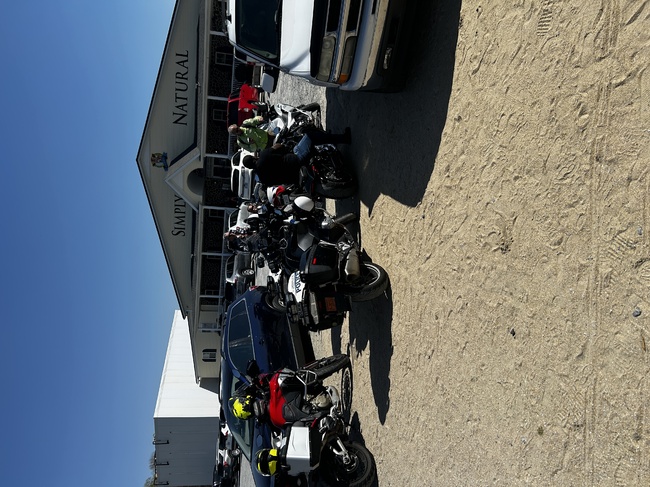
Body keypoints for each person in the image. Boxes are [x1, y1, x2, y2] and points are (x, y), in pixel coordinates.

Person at [242, 127, 351, 186]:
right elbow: (278, 146)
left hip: (297, 178)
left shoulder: (263, 179)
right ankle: (343, 138)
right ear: (253, 158)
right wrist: (280, 145)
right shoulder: (263, 156)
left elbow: (278, 183)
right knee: (309, 136)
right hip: (297, 160)